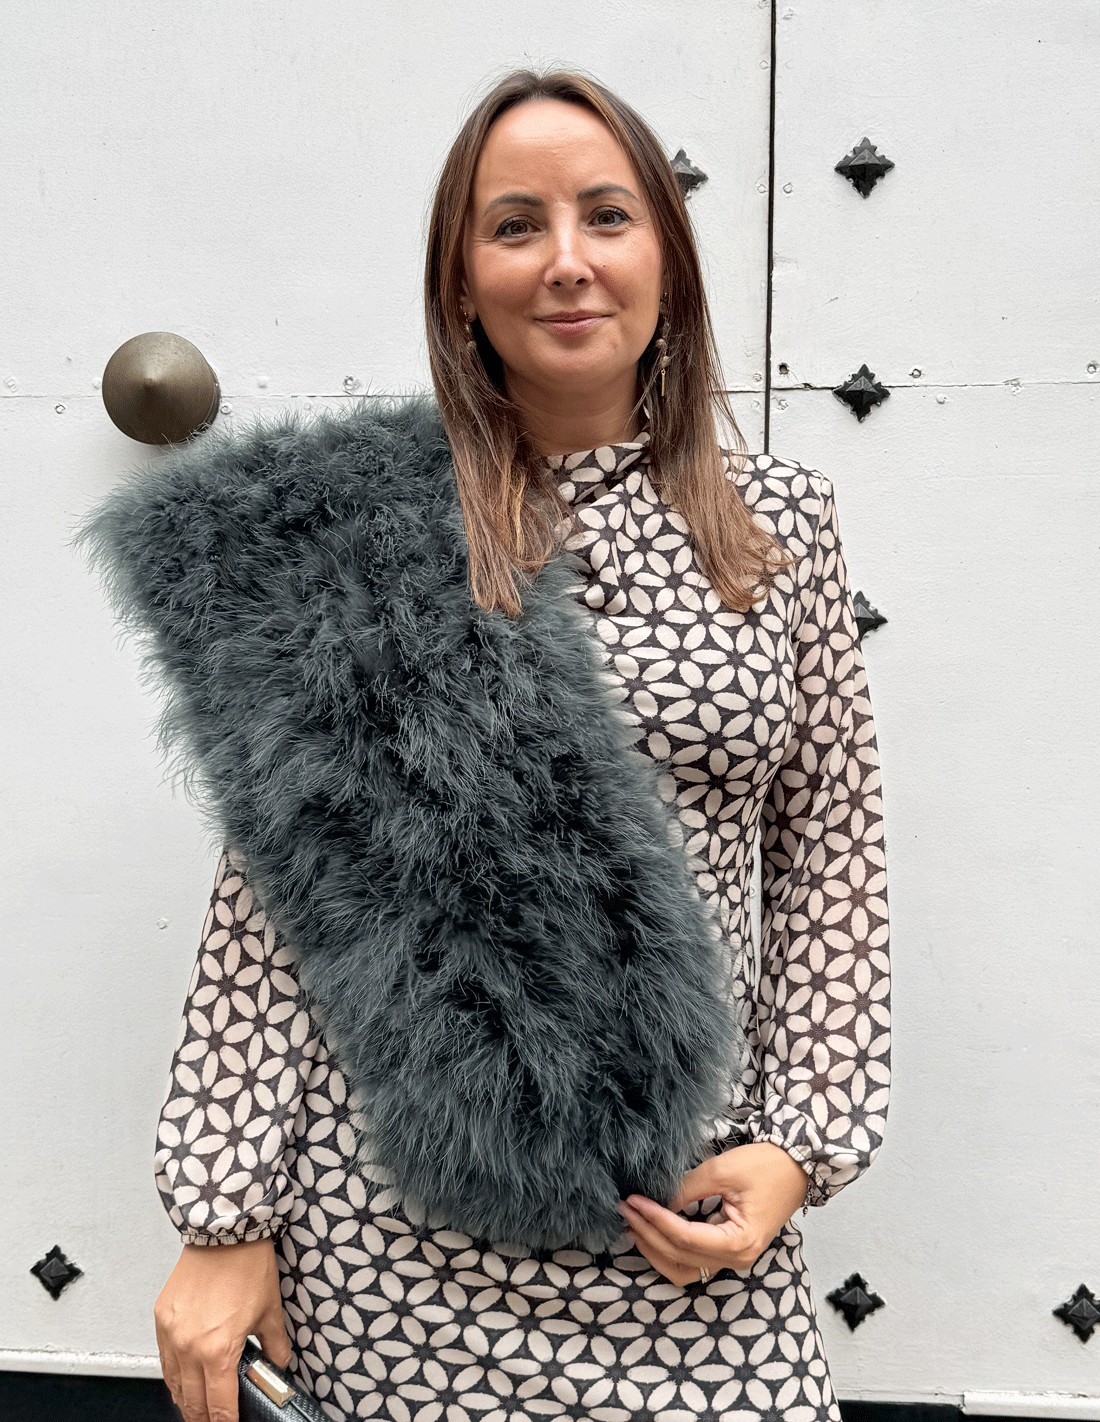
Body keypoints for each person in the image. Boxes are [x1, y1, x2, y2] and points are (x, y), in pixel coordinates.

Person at [147, 67, 890, 1422]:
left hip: (690, 1211)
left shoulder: (780, 524)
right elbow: (281, 895)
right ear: (461, 282)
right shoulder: (369, 531)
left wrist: (800, 1143)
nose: (566, 262)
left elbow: (831, 852)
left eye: (606, 215)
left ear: (667, 256)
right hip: (400, 1230)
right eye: (513, 226)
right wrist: (222, 1214)